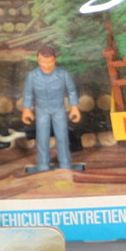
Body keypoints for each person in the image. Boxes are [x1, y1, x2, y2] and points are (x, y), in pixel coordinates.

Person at [21, 43, 82, 174]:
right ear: (38, 60)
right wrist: (26, 109)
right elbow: (28, 93)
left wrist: (74, 108)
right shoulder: (32, 76)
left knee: (62, 136)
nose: (47, 66)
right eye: (43, 62)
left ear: (54, 60)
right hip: (41, 110)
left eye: (50, 62)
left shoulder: (63, 74)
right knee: (42, 137)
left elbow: (71, 91)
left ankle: (65, 163)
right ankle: (43, 164)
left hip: (58, 110)